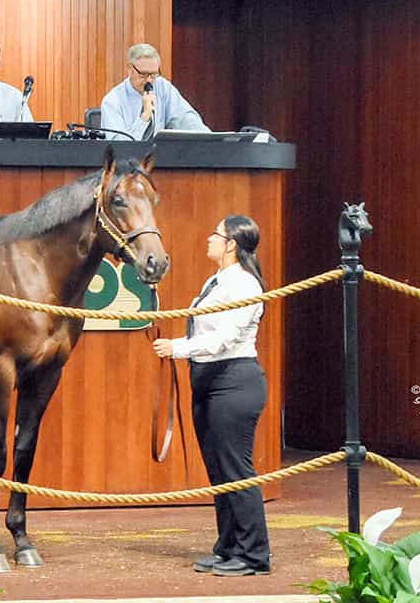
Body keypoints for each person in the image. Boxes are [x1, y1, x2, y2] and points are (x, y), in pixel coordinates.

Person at [152, 214, 272, 577]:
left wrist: (179, 347)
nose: (209, 239)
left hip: (234, 380)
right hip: (208, 381)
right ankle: (229, 547)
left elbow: (226, 338)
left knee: (236, 469)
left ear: (232, 243)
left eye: (215, 234)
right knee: (220, 471)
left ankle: (254, 555)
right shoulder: (216, 280)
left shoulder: (244, 285)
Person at [99, 43, 209, 140]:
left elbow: (184, 118)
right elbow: (118, 145)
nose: (149, 80)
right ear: (129, 69)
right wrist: (144, 118)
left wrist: (209, 139)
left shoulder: (162, 87)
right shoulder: (112, 101)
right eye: (143, 74)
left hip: (159, 158)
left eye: (153, 74)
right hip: (128, 161)